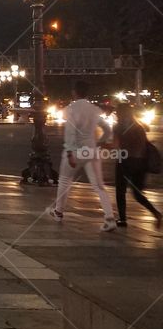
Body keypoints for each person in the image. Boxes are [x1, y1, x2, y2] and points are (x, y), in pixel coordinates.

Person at [46, 81, 117, 232]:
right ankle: (109, 218)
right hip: (91, 150)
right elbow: (107, 128)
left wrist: (71, 152)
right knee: (99, 185)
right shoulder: (94, 109)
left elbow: (70, 132)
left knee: (65, 180)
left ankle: (59, 212)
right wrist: (101, 141)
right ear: (86, 92)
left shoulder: (70, 109)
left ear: (74, 92)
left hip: (76, 151)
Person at [113, 103, 162, 228]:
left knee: (120, 191)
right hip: (141, 164)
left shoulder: (118, 126)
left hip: (125, 162)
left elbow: (116, 146)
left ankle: (122, 219)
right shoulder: (139, 125)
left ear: (119, 113)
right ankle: (155, 213)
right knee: (137, 193)